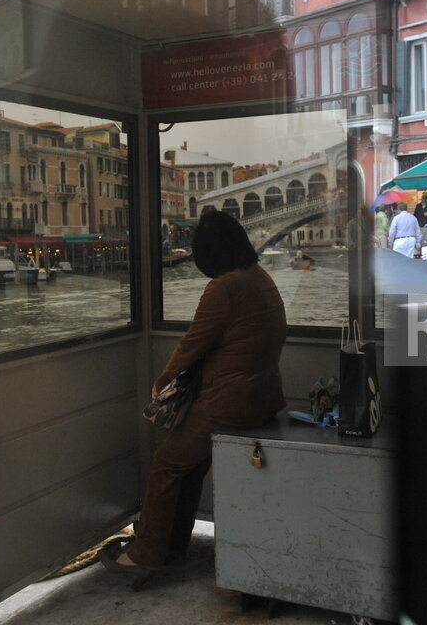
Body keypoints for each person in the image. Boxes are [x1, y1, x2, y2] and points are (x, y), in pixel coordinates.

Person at [100, 210, 287, 581]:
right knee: (190, 463)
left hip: (231, 403)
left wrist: (164, 379)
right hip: (263, 397)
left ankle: (149, 553)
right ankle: (170, 544)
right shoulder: (260, 278)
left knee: (168, 462)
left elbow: (193, 342)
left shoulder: (224, 287)